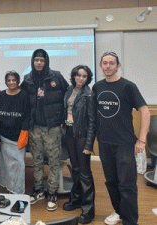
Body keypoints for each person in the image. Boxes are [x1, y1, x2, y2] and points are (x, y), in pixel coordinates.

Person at [92, 52, 150, 225]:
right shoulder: (97, 87)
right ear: (101, 66)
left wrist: (142, 140)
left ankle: (130, 221)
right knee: (111, 182)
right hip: (104, 143)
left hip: (124, 143)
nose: (108, 66)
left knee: (127, 186)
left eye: (111, 63)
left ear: (118, 66)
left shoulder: (128, 86)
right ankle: (119, 211)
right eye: (105, 63)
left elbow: (145, 111)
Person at [21, 49, 69, 211]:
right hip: (35, 128)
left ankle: (53, 192)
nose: (39, 63)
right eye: (36, 60)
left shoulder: (56, 77)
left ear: (46, 61)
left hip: (52, 128)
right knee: (37, 161)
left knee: (54, 161)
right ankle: (38, 190)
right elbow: (20, 98)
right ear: (33, 62)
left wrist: (66, 115)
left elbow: (69, 94)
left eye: (42, 60)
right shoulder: (27, 79)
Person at [62, 65, 96, 224]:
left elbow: (92, 122)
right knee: (74, 169)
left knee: (84, 173)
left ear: (88, 78)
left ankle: (88, 210)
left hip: (82, 136)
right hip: (69, 133)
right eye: (78, 75)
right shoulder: (69, 90)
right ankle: (76, 199)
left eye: (84, 76)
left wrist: (89, 145)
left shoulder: (89, 94)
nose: (80, 78)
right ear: (74, 76)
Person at [0, 71, 30, 194]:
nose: (11, 82)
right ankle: (10, 188)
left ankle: (18, 191)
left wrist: (24, 133)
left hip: (18, 136)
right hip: (4, 136)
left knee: (19, 165)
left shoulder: (24, 95)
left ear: (18, 81)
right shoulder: (0, 96)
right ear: (5, 82)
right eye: (9, 80)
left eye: (14, 80)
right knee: (7, 165)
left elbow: (27, 116)